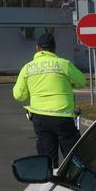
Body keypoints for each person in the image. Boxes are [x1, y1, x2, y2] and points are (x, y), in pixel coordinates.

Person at [13, 33, 86, 167]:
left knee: (47, 158)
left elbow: (19, 95)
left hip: (40, 118)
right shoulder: (63, 64)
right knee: (73, 155)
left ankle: (49, 181)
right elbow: (82, 81)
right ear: (54, 48)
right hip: (63, 117)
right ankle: (76, 179)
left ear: (37, 48)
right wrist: (69, 83)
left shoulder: (27, 68)